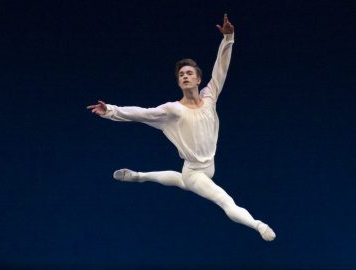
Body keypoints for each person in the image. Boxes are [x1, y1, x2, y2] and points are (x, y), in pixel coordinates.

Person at [87, 14, 275, 241]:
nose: (185, 76)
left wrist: (229, 38)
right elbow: (142, 113)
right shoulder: (172, 110)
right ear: (179, 82)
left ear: (198, 79)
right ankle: (257, 225)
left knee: (179, 181)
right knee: (222, 199)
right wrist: (111, 110)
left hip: (209, 166)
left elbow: (221, 69)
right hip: (194, 171)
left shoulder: (209, 96)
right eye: (181, 75)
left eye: (189, 73)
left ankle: (139, 176)